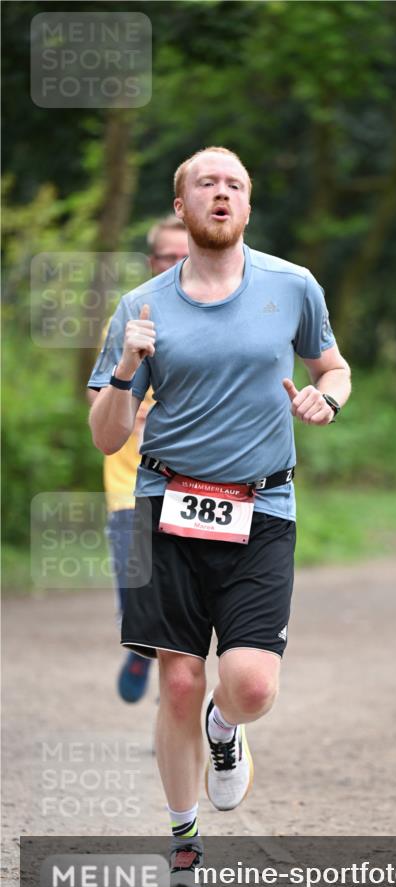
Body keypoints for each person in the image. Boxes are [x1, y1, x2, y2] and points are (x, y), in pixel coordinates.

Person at [87, 146, 352, 887]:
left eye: (235, 183)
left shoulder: (291, 286)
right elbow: (106, 434)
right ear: (182, 208)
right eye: (206, 183)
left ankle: (225, 729)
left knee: (251, 686)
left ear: (247, 204)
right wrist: (125, 371)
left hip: (262, 505)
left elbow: (333, 366)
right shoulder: (140, 306)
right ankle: (184, 837)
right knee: (176, 682)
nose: (221, 193)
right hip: (164, 503)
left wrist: (325, 397)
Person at [88, 216, 189, 703]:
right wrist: (132, 399)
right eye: (167, 257)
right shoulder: (132, 317)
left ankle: (177, 711)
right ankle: (138, 649)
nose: (177, 265)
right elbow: (96, 403)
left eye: (184, 256)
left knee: (184, 620)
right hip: (131, 491)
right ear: (153, 263)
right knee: (138, 607)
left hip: (194, 492)